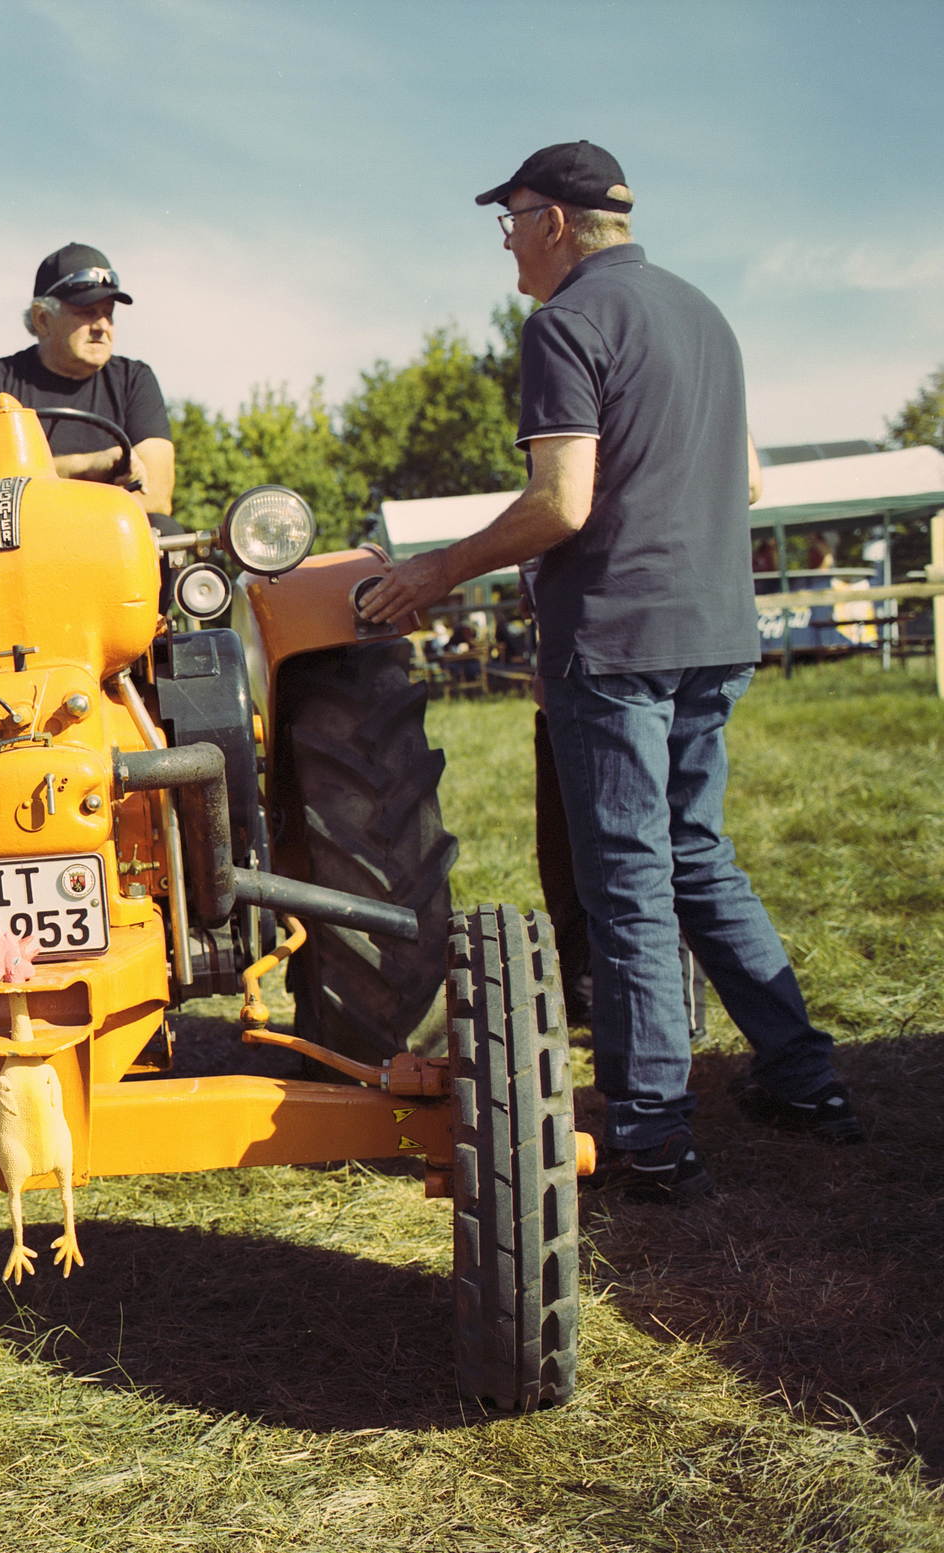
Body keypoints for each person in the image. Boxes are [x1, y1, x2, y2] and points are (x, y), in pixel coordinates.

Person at [358, 140, 858, 1200]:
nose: (505, 246)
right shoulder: (702, 316)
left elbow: (560, 504)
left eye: (509, 222)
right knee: (694, 855)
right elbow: (754, 480)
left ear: (552, 221)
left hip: (616, 642)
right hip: (715, 629)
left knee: (626, 877)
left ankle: (650, 1128)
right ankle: (803, 1077)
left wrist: (434, 572)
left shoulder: (564, 323)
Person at [0, 243, 176, 519]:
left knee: (164, 529)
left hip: (107, 537)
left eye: (108, 312)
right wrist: (89, 466)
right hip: (17, 537)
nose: (102, 326)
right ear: (42, 320)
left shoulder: (134, 379)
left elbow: (156, 496)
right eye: (86, 311)